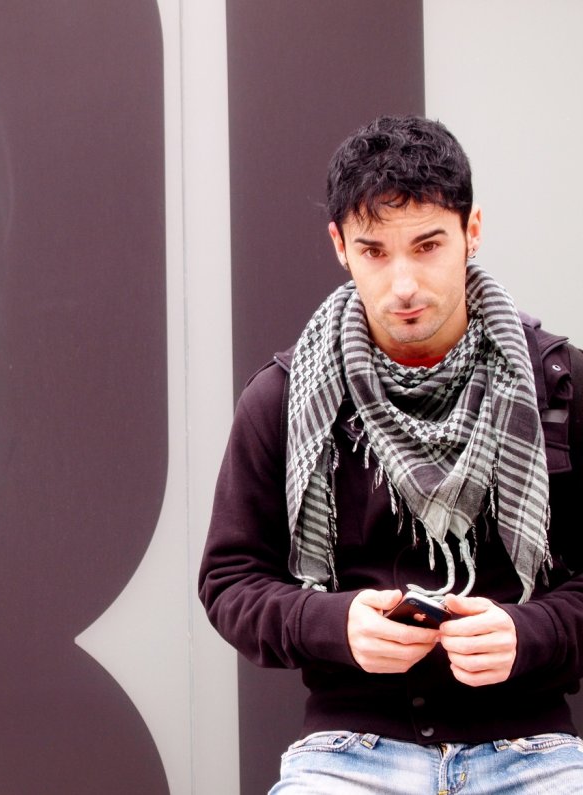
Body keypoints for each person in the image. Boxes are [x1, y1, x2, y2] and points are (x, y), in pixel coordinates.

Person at [198, 115, 583, 793]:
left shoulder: (561, 383)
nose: (403, 283)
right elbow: (230, 581)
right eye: (374, 251)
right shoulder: (283, 397)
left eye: (427, 245)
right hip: (348, 751)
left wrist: (532, 632)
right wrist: (334, 623)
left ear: (472, 231)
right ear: (340, 246)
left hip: (533, 748)